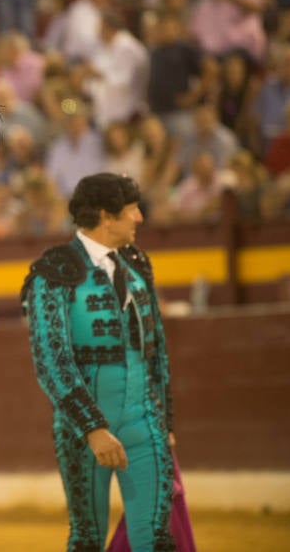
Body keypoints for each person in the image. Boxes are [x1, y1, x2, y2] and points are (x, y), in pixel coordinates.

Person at [20, 173, 175, 551]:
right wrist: (92, 429)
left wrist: (165, 421)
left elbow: (157, 351)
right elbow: (50, 359)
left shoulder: (138, 263)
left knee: (154, 537)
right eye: (132, 210)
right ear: (107, 216)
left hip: (144, 423)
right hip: (81, 433)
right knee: (88, 538)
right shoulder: (54, 271)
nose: (139, 218)